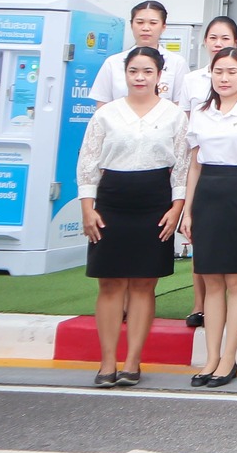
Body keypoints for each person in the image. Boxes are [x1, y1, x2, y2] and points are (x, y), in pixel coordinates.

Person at [77, 47, 189, 388]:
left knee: (143, 284)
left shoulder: (174, 115)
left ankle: (132, 362)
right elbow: (88, 161)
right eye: (134, 71)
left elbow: (182, 166)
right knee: (110, 283)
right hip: (111, 201)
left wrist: (176, 207)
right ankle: (107, 362)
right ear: (124, 74)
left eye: (147, 72)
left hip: (155, 202)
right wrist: (87, 207)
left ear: (159, 76)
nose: (140, 78)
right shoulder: (106, 115)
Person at [180, 46, 237, 388]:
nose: (225, 78)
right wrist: (188, 208)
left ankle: (229, 358)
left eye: (232, 72)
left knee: (236, 281)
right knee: (211, 280)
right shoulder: (201, 113)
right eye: (219, 72)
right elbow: (195, 165)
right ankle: (211, 357)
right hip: (208, 197)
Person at [90, 0, 191, 106]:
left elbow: (180, 108)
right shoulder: (113, 62)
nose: (145, 28)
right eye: (140, 22)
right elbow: (102, 107)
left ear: (163, 27)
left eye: (153, 23)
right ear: (131, 25)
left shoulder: (177, 63)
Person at [178, 17, 237, 113]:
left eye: (225, 38)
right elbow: (185, 120)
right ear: (205, 41)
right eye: (213, 38)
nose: (218, 44)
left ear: (236, 42)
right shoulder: (191, 79)